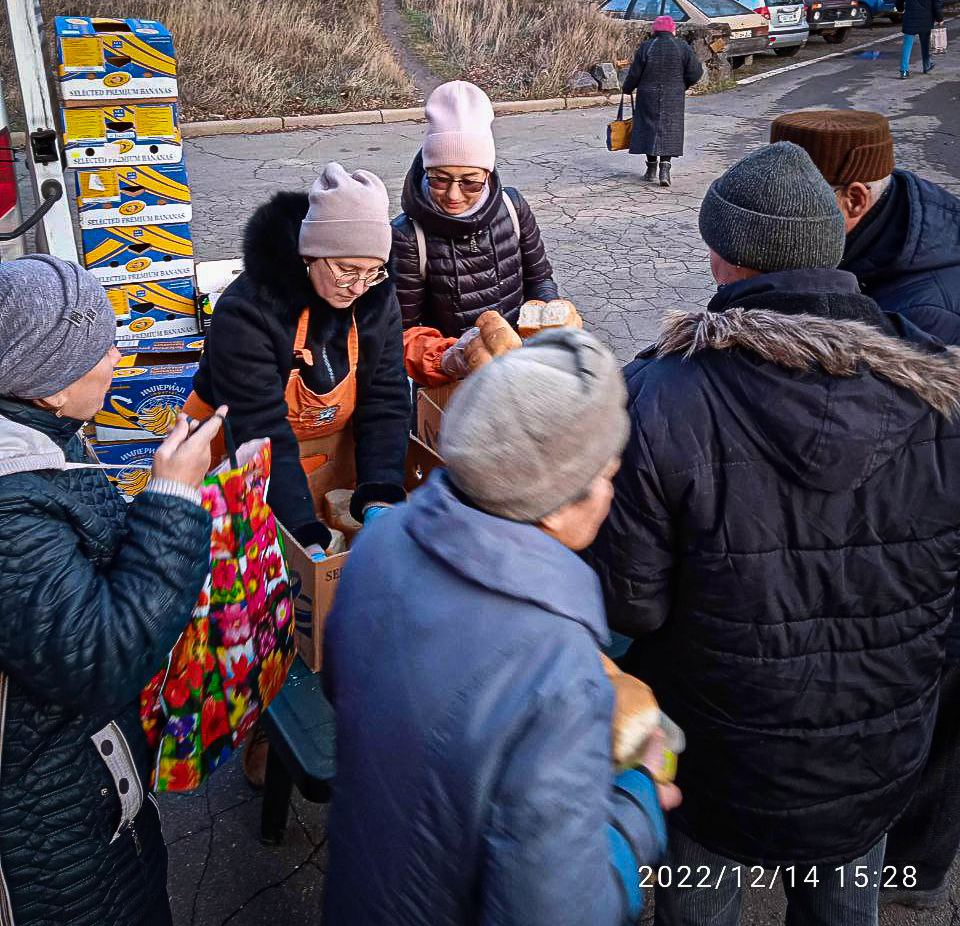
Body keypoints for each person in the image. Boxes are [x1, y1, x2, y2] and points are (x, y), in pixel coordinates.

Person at [586, 142, 960, 926]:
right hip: (874, 759)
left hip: (715, 767)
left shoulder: (658, 397)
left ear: (723, 258)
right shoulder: (938, 394)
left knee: (700, 909)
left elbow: (633, 606)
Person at [322, 329, 677, 925]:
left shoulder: (379, 542)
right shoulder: (556, 669)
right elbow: (557, 910)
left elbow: (345, 689)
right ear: (561, 502)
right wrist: (638, 800)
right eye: (607, 473)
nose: (612, 491)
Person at [772, 107, 960, 911]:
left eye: (795, 197)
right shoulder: (874, 235)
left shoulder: (931, 303)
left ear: (851, 200)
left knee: (934, 708)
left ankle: (909, 871)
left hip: (933, 547)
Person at [0, 255, 222, 926]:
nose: (117, 360)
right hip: (47, 844)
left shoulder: (41, 447)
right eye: (102, 346)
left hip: (79, 794)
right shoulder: (12, 506)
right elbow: (102, 657)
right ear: (49, 380)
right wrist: (175, 496)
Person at [188, 162, 410, 555]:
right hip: (237, 455)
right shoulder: (247, 311)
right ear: (311, 254)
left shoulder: (376, 298)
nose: (358, 286)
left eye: (374, 272)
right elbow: (260, 429)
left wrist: (380, 492)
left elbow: (386, 396)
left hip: (328, 454)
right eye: (346, 270)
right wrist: (302, 531)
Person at [391, 80, 559, 386]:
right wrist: (453, 357)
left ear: (487, 173)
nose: (454, 194)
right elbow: (405, 330)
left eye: (470, 182)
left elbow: (540, 279)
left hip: (522, 365)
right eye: (439, 179)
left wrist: (549, 319)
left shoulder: (512, 207)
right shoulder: (407, 236)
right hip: (453, 379)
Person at [771, 109, 960, 343]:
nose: (774, 217)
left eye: (791, 202)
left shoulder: (923, 318)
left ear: (855, 200)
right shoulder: (890, 202)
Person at [622, 16, 703, 188]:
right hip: (673, 96)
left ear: (655, 30)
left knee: (648, 129)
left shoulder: (647, 46)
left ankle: (651, 169)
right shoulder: (682, 47)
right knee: (669, 130)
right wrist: (683, 85)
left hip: (647, 95)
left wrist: (627, 88)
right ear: (673, 30)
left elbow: (635, 74)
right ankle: (665, 169)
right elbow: (695, 73)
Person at [897, 0, 943, 76]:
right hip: (926, 20)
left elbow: (898, 2)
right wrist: (939, 18)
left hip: (910, 19)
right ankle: (927, 66)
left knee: (907, 46)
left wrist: (900, 9)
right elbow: (936, 4)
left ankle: (904, 70)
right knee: (925, 45)